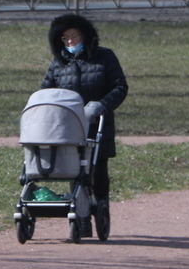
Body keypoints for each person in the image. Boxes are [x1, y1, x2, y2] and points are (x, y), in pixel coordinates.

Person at [41, 13, 128, 214]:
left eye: (75, 36)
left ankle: (101, 205)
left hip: (98, 124)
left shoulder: (105, 57)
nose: (70, 42)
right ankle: (80, 212)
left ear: (85, 36)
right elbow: (45, 92)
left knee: (97, 169)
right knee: (74, 168)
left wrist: (101, 105)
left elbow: (119, 87)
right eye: (65, 38)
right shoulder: (58, 64)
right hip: (68, 126)